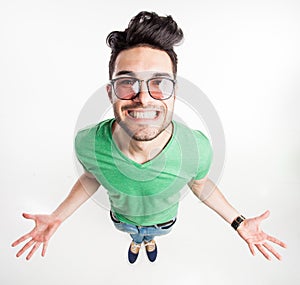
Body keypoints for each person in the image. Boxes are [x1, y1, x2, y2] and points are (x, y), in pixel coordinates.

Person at [12, 11, 286, 264]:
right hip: (122, 220)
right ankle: (135, 241)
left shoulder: (197, 147)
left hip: (164, 223)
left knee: (151, 234)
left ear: (174, 94)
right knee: (133, 233)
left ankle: (149, 239)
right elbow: (91, 177)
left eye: (159, 83)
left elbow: (200, 184)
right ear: (111, 93)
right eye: (126, 82)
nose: (143, 98)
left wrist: (238, 221)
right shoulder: (88, 142)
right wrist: (58, 216)